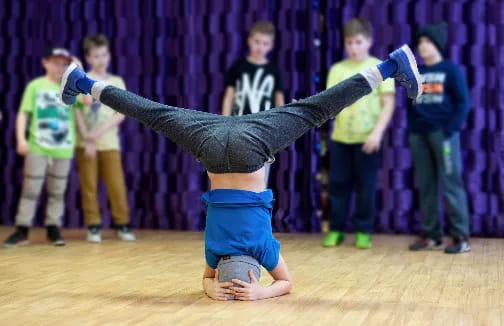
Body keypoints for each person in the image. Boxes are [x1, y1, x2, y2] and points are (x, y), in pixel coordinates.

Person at [60, 44, 421, 300]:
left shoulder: (265, 251)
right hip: (213, 143)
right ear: (221, 271)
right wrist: (212, 289)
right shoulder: (213, 253)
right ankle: (81, 80)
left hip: (251, 145)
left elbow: (286, 284)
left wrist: (260, 293)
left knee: (317, 109)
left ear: (256, 269)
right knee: (152, 112)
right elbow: (205, 281)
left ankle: (390, 66)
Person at [322, 18, 396, 249]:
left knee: (366, 187)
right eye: (349, 42)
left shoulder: (379, 67)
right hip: (341, 139)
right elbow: (329, 102)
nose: (353, 47)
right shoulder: (337, 70)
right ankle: (336, 229)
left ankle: (364, 230)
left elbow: (389, 103)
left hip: (368, 140)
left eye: (358, 42)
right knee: (338, 185)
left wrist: (377, 134)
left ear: (369, 42)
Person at [407, 23, 472, 254]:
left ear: (438, 44)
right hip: (419, 137)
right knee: (426, 186)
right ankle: (432, 234)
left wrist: (448, 130)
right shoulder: (418, 73)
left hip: (443, 136)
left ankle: (460, 236)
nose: (423, 47)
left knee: (451, 183)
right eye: (420, 43)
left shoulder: (450, 70)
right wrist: (413, 130)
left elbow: (464, 103)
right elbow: (411, 104)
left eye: (428, 42)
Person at [4, 47, 77, 248]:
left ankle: (53, 228)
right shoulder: (35, 86)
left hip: (63, 148)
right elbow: (23, 114)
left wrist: (79, 72)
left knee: (58, 191)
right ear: (45, 62)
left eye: (64, 63)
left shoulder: (69, 88)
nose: (59, 67)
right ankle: (22, 229)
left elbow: (87, 103)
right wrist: (21, 139)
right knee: (30, 189)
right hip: (38, 147)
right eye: (56, 62)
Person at [74, 34, 136, 243]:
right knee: (89, 186)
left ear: (109, 55)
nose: (101, 59)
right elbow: (79, 108)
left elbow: (122, 113)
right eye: (96, 56)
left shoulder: (116, 81)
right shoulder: (83, 79)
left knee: (116, 185)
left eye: (104, 55)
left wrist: (97, 134)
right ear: (88, 58)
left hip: (109, 143)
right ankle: (93, 226)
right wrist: (87, 137)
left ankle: (122, 224)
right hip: (86, 145)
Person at [222, 20, 285, 186]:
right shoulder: (238, 67)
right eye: (257, 42)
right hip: (238, 129)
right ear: (249, 41)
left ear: (271, 46)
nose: (260, 47)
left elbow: (279, 100)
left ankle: (256, 210)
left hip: (263, 133)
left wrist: (279, 127)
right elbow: (229, 97)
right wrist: (225, 124)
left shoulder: (274, 70)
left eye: (265, 43)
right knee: (235, 176)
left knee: (260, 180)